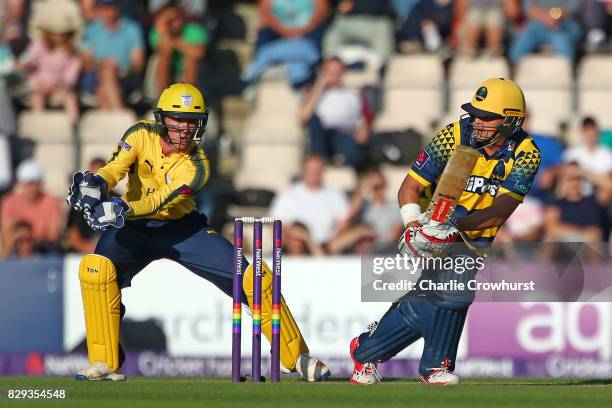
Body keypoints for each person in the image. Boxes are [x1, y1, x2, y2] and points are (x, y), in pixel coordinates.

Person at [66, 83, 330, 382]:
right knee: (95, 271)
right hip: (134, 229)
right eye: (177, 121)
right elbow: (116, 168)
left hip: (182, 229)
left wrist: (121, 209)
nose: (184, 129)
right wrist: (97, 183)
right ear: (161, 119)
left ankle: (295, 357)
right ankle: (105, 362)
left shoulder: (197, 164)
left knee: (256, 277)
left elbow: (159, 201)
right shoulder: (140, 133)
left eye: (191, 122)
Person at [348, 78, 541, 385]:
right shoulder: (454, 135)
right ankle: (434, 367)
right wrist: (414, 225)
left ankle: (366, 351)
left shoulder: (527, 153)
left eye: (487, 116)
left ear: (511, 120)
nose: (478, 120)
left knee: (429, 300)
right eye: (475, 113)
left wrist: (454, 227)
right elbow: (410, 187)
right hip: (428, 227)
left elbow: (500, 211)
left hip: (471, 232)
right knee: (455, 291)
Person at [300, 57, 374, 169]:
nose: (334, 75)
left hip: (344, 134)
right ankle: (320, 161)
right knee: (314, 122)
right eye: (330, 72)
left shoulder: (354, 93)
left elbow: (363, 121)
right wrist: (319, 86)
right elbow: (304, 117)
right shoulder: (314, 94)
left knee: (352, 147)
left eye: (337, 72)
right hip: (321, 134)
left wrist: (362, 132)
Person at [17, 12, 82, 123]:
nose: (59, 36)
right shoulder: (38, 45)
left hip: (58, 89)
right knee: (37, 97)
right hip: (37, 85)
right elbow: (25, 61)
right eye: (55, 32)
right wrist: (37, 82)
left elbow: (70, 78)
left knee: (71, 98)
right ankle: (39, 126)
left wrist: (57, 86)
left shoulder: (72, 53)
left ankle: (73, 128)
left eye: (63, 33)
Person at [80, 0, 145, 109]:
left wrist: (118, 69)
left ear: (118, 7)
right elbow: (86, 63)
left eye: (111, 6)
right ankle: (119, 114)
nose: (108, 10)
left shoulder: (132, 29)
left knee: (104, 87)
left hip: (124, 76)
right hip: (96, 76)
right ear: (99, 9)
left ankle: (110, 119)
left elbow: (138, 64)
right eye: (104, 6)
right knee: (107, 74)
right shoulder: (90, 30)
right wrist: (105, 66)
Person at [0, 159, 63, 254]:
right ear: (21, 184)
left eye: (35, 184)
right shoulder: (9, 202)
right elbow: (6, 236)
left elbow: (53, 236)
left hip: (42, 251)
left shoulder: (51, 201)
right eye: (28, 184)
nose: (32, 188)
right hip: (16, 251)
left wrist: (26, 236)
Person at [146, 3, 208, 98]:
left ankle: (189, 97)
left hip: (189, 72)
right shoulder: (157, 31)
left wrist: (174, 42)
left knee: (191, 60)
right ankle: (162, 98)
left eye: (178, 18)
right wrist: (164, 29)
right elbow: (166, 51)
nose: (176, 23)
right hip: (168, 70)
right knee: (163, 60)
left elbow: (198, 53)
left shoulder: (195, 30)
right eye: (170, 20)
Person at [508, 0, 582, 64]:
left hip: (563, 24)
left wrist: (554, 16)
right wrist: (546, 18)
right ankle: (513, 70)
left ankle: (568, 72)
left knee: (561, 40)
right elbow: (530, 8)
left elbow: (573, 7)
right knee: (523, 40)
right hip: (538, 24)